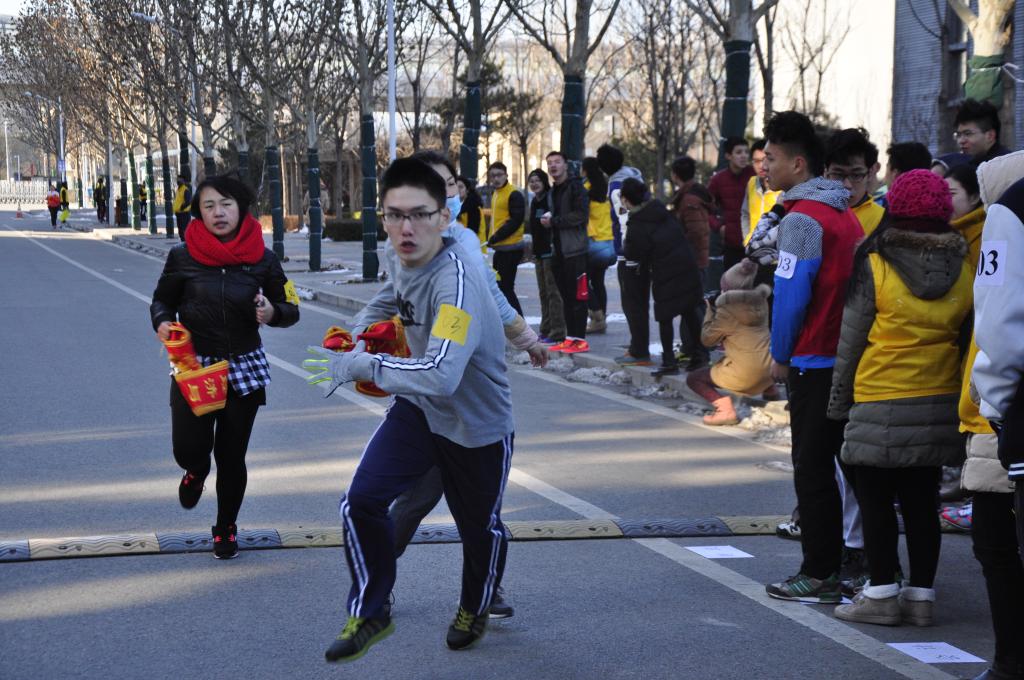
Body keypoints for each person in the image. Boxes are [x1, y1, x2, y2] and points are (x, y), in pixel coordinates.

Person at [303, 157, 514, 661]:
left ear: (443, 217)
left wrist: (365, 366)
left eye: (419, 214)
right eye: (395, 215)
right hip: (419, 409)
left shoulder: (457, 284)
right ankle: (373, 608)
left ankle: (475, 605)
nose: (406, 228)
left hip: (474, 423)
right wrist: (357, 332)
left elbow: (443, 373)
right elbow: (387, 298)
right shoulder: (401, 255)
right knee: (361, 501)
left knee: (478, 528)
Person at [382, 149, 545, 621]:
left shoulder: (467, 244)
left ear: (455, 191)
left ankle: (486, 589)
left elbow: (492, 294)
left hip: (475, 404)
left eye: (447, 185)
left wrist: (525, 337)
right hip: (429, 402)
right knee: (414, 501)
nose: (442, 194)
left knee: (482, 509)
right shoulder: (406, 247)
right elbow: (395, 302)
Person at [827, 169, 973, 626]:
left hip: (879, 394)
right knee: (922, 501)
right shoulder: (964, 266)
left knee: (874, 500)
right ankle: (921, 598)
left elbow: (852, 340)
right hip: (939, 395)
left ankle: (882, 594)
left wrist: (837, 404)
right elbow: (967, 339)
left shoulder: (875, 262)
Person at [150, 175, 300, 559]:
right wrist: (163, 321)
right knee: (189, 448)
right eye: (209, 206)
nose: (219, 213)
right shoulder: (182, 256)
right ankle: (195, 471)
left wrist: (273, 312)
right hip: (194, 366)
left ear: (242, 208)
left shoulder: (264, 258)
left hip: (243, 368)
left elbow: (291, 307)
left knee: (232, 456)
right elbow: (162, 301)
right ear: (199, 212)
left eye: (226, 204)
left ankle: (225, 528)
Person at [761, 111, 863, 604]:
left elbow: (790, 296)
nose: (764, 166)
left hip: (813, 359)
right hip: (849, 354)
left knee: (813, 470)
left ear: (798, 164)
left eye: (771, 158)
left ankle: (819, 572)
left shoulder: (801, 220)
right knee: (851, 469)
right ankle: (867, 567)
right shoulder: (845, 213)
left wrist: (780, 353)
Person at [963, 151, 1024, 680]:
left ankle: (1009, 661)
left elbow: (999, 330)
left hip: (1005, 417)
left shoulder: (1010, 211)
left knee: (997, 547)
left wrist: (1000, 408)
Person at [620, 177, 703, 377]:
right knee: (690, 310)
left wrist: (626, 244)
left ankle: (669, 362)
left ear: (625, 200)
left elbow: (634, 253)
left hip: (665, 271)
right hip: (686, 263)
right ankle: (701, 356)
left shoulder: (637, 223)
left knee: (665, 316)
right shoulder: (659, 210)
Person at [686, 259, 774, 425]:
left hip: (745, 376)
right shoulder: (761, 302)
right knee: (757, 354)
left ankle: (725, 409)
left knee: (694, 378)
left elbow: (707, 340)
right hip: (770, 372)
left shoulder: (727, 310)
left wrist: (710, 311)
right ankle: (771, 392)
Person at [598, 143, 650, 366]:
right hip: (642, 251)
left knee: (631, 303)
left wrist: (628, 252)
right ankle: (639, 347)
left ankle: (638, 351)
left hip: (629, 253)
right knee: (639, 302)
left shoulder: (617, 187)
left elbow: (625, 220)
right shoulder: (634, 178)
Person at [542, 151, 590, 354]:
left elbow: (581, 215)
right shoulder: (553, 191)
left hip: (575, 251)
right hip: (558, 251)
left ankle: (580, 339)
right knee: (566, 297)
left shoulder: (576, 187)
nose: (553, 166)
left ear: (565, 165)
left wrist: (554, 221)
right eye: (550, 163)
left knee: (578, 297)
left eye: (557, 162)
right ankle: (570, 338)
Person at [668, 155, 713, 367]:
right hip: (692, 260)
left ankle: (699, 350)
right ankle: (690, 348)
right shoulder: (691, 196)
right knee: (690, 306)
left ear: (675, 175)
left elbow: (696, 233)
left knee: (694, 308)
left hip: (692, 262)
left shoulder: (689, 200)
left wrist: (679, 248)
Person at [527, 169, 566, 344]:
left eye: (537, 180)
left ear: (544, 181)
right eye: (531, 181)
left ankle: (557, 331)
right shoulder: (535, 201)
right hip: (539, 253)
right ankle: (545, 329)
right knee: (543, 292)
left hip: (550, 251)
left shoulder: (550, 198)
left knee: (553, 292)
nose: (534, 184)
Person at [484, 162, 526, 316]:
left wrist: (496, 236)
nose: (496, 179)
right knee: (500, 286)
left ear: (506, 175)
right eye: (492, 176)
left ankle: (519, 321)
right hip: (501, 248)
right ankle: (510, 320)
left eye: (499, 175)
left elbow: (515, 221)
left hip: (511, 247)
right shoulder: (496, 193)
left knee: (506, 287)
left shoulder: (513, 193)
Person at [826, 128, 886, 237]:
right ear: (826, 173)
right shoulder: (812, 214)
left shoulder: (882, 220)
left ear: (870, 173)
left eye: (856, 175)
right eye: (838, 175)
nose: (847, 185)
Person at [708, 137, 755, 271]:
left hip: (756, 242)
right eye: (739, 152)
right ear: (728, 156)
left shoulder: (755, 175)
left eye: (746, 152)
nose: (744, 156)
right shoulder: (718, 180)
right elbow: (706, 207)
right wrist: (719, 227)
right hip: (732, 244)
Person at [581, 157, 615, 334]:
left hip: (593, 242)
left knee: (581, 280)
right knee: (598, 282)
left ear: (585, 171)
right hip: (608, 243)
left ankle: (597, 316)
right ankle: (600, 321)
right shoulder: (605, 190)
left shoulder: (586, 190)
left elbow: (582, 216)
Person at [741, 139, 782, 246]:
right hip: (753, 247)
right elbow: (745, 213)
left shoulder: (782, 186)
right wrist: (747, 239)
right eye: (756, 161)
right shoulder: (751, 182)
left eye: (765, 159)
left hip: (774, 250)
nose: (761, 165)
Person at [956, 98, 1010, 166]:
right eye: (958, 135)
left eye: (968, 134)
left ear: (990, 136)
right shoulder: (968, 162)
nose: (961, 141)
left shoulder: (1005, 164)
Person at [456, 175, 485, 250]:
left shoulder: (473, 207)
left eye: (461, 187)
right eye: (455, 187)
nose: (458, 190)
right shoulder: (457, 206)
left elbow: (472, 233)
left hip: (474, 250)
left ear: (467, 190)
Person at [173, 174, 193, 240]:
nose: (178, 181)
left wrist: (181, 208)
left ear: (183, 181)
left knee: (185, 229)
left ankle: (186, 242)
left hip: (184, 213)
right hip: (179, 213)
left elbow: (188, 201)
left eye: (180, 180)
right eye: (178, 179)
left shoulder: (185, 190)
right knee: (181, 230)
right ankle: (183, 241)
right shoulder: (178, 190)